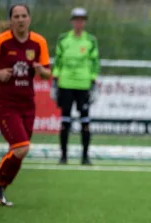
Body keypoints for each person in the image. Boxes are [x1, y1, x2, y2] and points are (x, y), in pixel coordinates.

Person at [0, 4, 51, 206]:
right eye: (16, 16)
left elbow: (47, 73)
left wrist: (40, 70)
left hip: (28, 105)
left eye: (24, 16)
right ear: (10, 21)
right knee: (21, 147)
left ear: (29, 19)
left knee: (20, 151)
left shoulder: (38, 42)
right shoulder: (0, 41)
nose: (20, 19)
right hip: (5, 104)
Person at [51, 7, 100, 165]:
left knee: (85, 121)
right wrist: (55, 80)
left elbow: (94, 62)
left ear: (84, 22)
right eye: (76, 19)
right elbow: (58, 60)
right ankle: (63, 156)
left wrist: (93, 81)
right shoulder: (64, 39)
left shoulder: (90, 40)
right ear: (72, 21)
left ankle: (85, 156)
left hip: (83, 84)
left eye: (82, 20)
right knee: (65, 121)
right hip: (66, 83)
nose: (79, 23)